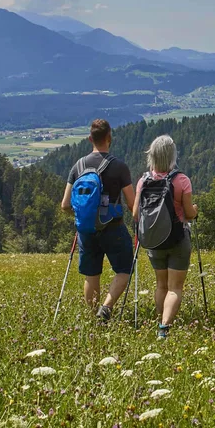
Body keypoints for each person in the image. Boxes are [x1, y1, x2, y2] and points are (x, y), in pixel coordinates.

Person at [61, 119, 136, 321]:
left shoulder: (79, 166)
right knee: (125, 269)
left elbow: (65, 205)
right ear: (109, 138)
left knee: (91, 274)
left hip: (86, 231)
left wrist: (83, 216)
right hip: (113, 228)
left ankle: (94, 319)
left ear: (89, 139)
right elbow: (132, 203)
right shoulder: (119, 166)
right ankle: (106, 307)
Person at [132, 134, 198, 339]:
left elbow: (135, 214)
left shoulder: (143, 181)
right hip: (178, 239)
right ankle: (164, 328)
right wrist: (195, 210)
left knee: (161, 285)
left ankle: (161, 321)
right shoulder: (181, 180)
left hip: (153, 240)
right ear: (172, 155)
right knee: (175, 287)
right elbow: (188, 214)